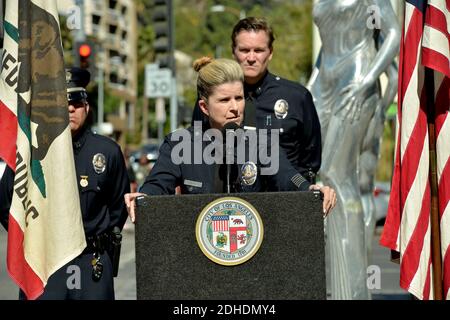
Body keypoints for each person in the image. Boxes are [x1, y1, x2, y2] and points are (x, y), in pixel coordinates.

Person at [125, 57, 336, 221]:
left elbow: (288, 176)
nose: (235, 108)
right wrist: (144, 196)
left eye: (239, 97)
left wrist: (308, 189)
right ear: (204, 107)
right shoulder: (181, 144)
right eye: (225, 100)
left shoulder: (260, 141)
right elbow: (158, 183)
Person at [0, 67, 130, 300]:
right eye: (62, 101)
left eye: (77, 103)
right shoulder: (29, 151)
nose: (70, 108)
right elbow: (6, 204)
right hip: (45, 263)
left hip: (91, 262)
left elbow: (117, 209)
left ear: (87, 108)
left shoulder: (107, 151)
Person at [307, 0, 400, 299]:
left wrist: (369, 84)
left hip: (356, 79)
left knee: (339, 175)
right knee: (320, 173)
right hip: (323, 86)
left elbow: (394, 34)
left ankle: (353, 290)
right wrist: (309, 87)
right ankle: (337, 284)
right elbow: (327, 46)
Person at [193, 17, 322, 184]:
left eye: (259, 50)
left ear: (270, 52)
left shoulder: (297, 96)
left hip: (286, 200)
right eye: (244, 50)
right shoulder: (213, 96)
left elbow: (310, 161)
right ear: (233, 51)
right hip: (233, 202)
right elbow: (196, 146)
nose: (251, 57)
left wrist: (300, 193)